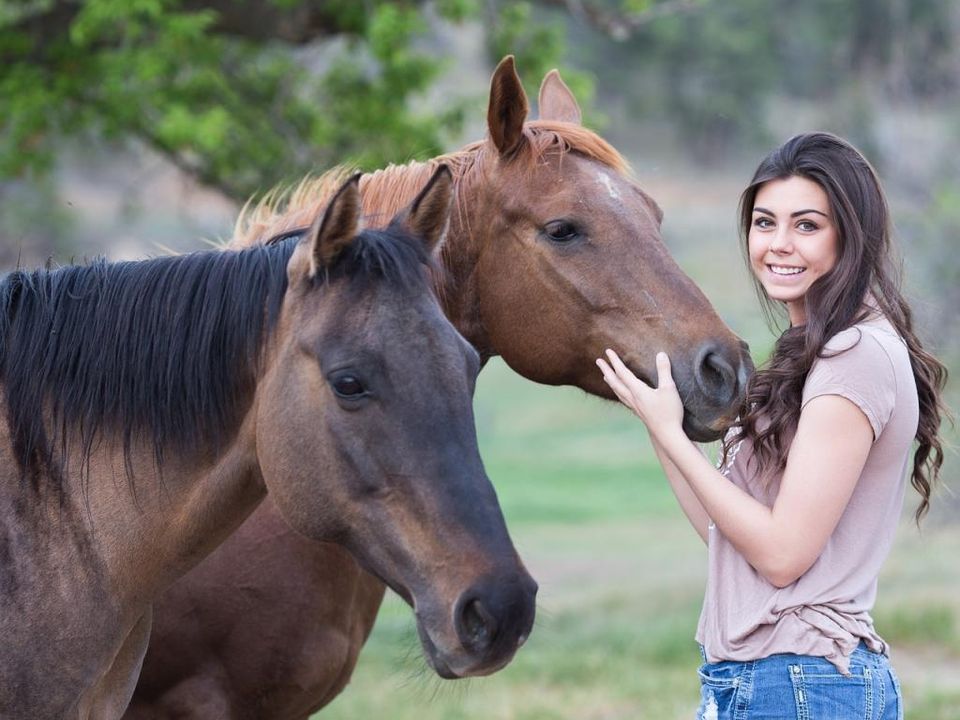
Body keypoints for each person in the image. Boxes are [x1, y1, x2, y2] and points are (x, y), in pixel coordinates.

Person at [596, 132, 948, 720]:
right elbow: (725, 534)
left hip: (803, 684)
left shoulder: (854, 354)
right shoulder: (814, 351)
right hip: (765, 681)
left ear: (851, 236)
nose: (778, 245)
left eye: (807, 225)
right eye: (765, 223)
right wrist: (664, 430)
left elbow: (783, 555)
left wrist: (674, 439)